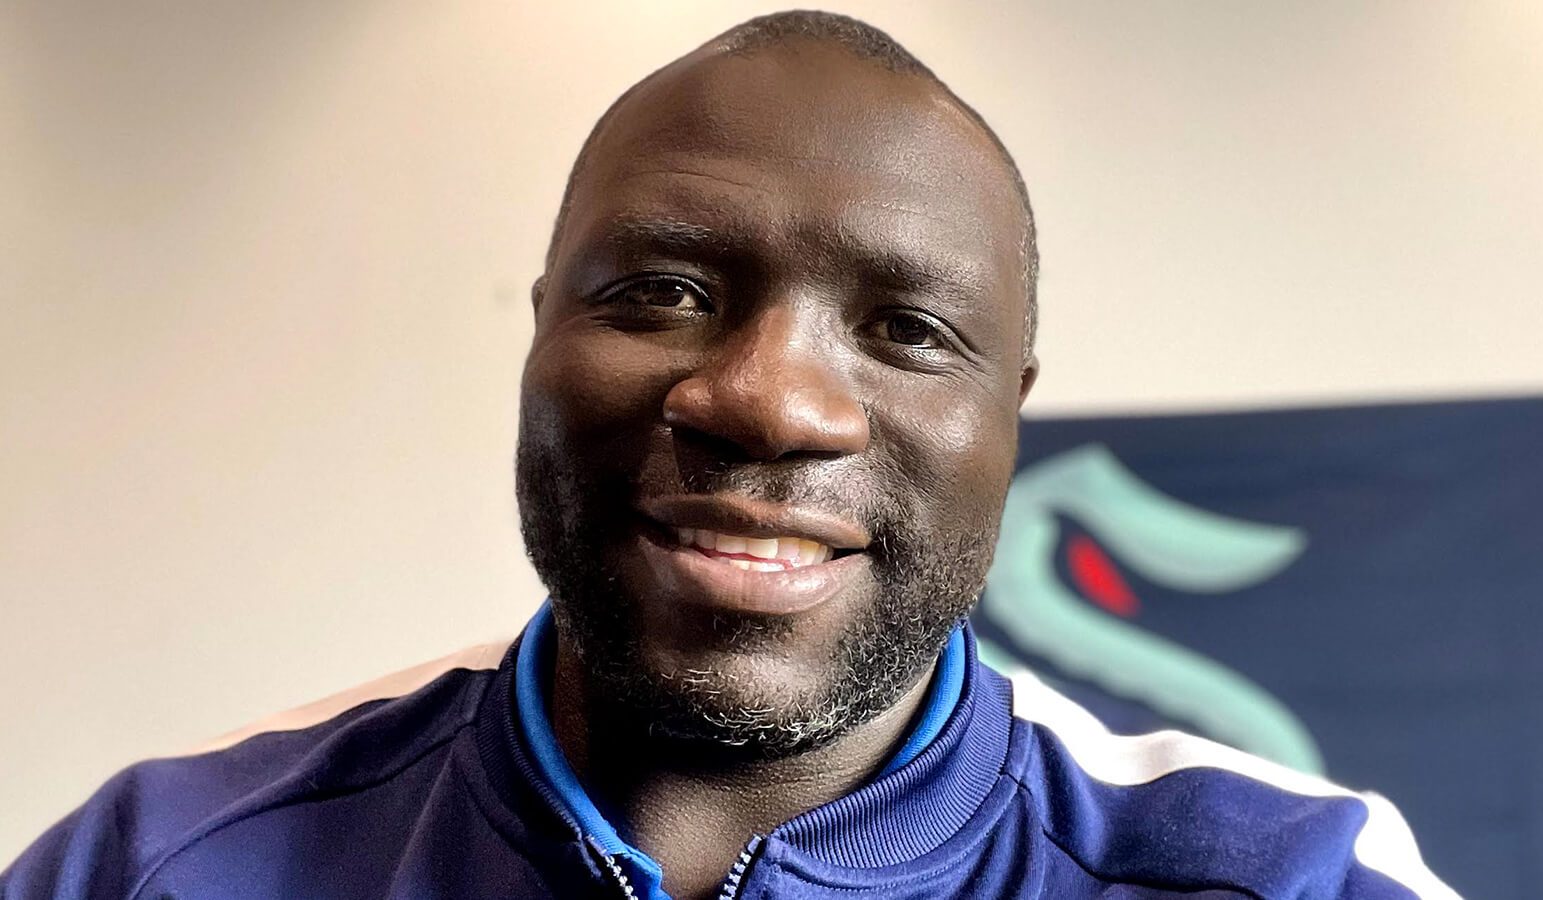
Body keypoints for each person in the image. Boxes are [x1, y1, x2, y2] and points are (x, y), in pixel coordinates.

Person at [3, 11, 1456, 900]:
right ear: (540, 333)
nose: (770, 403)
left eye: (905, 328)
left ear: (1012, 412)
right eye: (664, 292)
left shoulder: (1285, 883)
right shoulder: (159, 870)